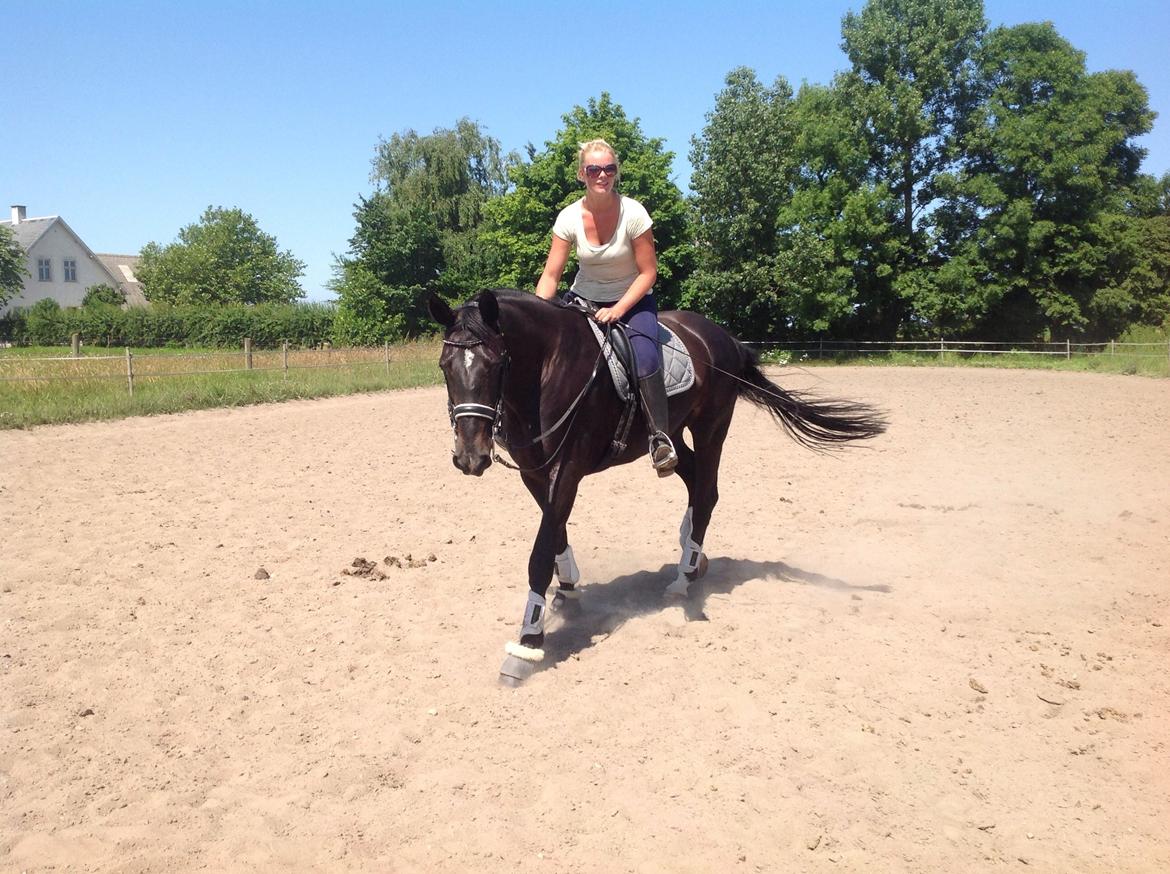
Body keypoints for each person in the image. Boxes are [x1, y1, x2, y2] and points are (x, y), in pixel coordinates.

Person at [534, 139, 678, 476]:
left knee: (645, 356)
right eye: (595, 169)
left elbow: (649, 273)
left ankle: (659, 438)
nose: (603, 175)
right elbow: (551, 275)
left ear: (616, 173)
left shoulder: (634, 213)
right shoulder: (568, 217)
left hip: (632, 300)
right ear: (582, 174)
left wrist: (618, 309)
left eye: (609, 169)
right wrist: (540, 313)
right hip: (583, 300)